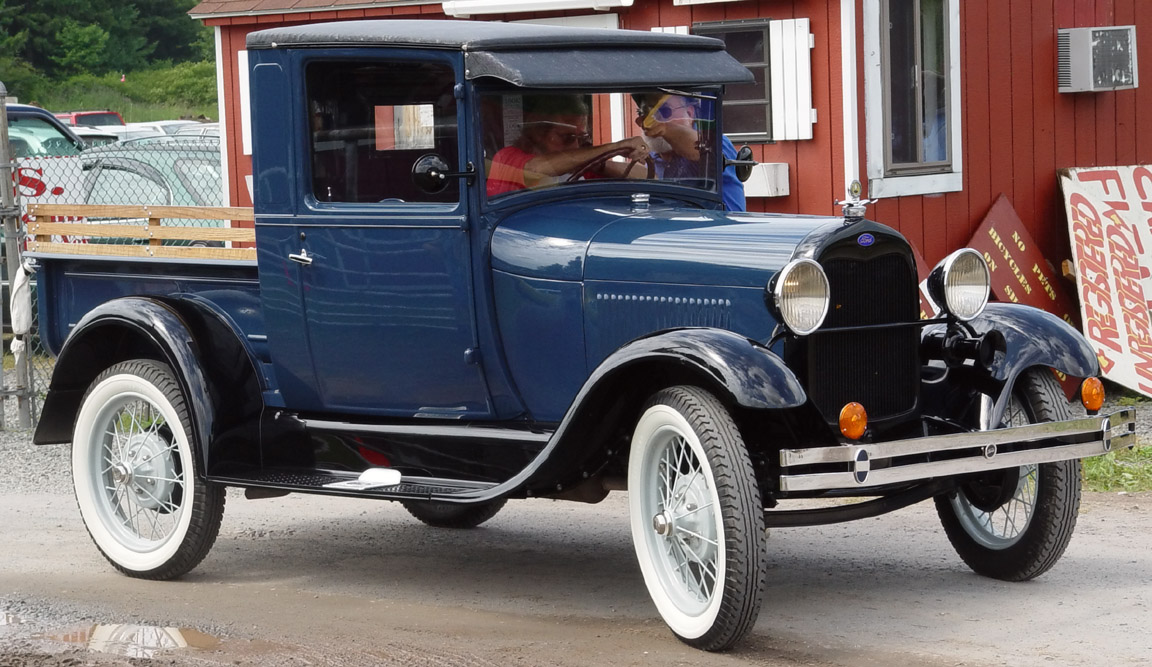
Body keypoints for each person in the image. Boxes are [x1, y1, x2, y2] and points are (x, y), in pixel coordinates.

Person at [487, 95, 649, 197]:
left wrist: (601, 164)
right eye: (567, 137)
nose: (576, 145)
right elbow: (535, 170)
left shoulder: (580, 168)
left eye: (581, 138)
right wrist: (613, 147)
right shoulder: (507, 158)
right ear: (538, 133)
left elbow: (647, 177)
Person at [634, 93, 745, 212]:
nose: (650, 121)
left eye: (664, 110)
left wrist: (664, 129)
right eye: (643, 113)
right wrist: (614, 152)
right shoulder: (651, 156)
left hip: (718, 228)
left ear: (690, 113)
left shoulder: (715, 142)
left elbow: (702, 150)